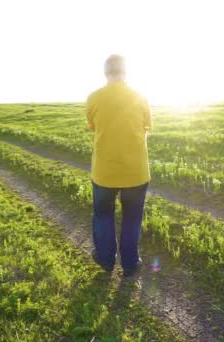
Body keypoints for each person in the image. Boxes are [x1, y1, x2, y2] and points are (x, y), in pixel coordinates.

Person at [85, 54, 152, 277]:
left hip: (105, 172)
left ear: (105, 73)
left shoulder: (94, 97)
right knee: (132, 217)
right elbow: (146, 127)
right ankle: (131, 264)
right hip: (136, 172)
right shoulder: (140, 97)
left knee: (103, 214)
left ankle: (105, 259)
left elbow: (93, 126)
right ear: (126, 72)